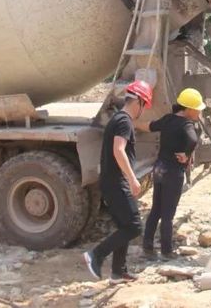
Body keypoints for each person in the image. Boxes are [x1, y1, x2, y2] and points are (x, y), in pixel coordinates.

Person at [83, 80, 153, 281]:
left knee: (125, 225)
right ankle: (95, 255)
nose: (143, 110)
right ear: (138, 101)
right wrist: (132, 179)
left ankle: (118, 271)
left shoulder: (117, 119)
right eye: (144, 105)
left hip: (111, 181)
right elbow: (118, 150)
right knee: (134, 226)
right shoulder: (124, 121)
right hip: (117, 182)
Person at [137, 87, 205, 259]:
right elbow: (193, 139)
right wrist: (186, 154)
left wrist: (133, 122)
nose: (199, 113)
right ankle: (167, 251)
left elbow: (150, 126)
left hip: (159, 169)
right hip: (173, 172)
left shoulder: (168, 119)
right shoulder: (187, 124)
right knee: (168, 214)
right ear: (189, 109)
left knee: (156, 210)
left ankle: (148, 246)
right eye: (198, 109)